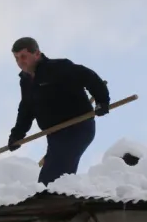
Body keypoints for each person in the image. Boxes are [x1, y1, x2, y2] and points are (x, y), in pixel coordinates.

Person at [7, 37, 111, 185]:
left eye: (23, 56)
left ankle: (51, 201)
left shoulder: (58, 67)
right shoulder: (25, 81)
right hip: (55, 134)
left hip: (78, 127)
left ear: (36, 54)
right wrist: (17, 135)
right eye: (16, 58)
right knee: (53, 177)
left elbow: (89, 77)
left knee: (53, 176)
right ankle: (54, 201)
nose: (19, 62)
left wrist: (102, 101)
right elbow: (26, 109)